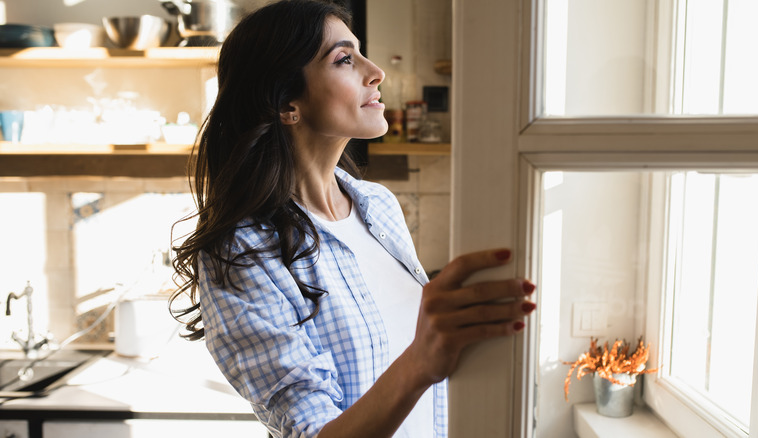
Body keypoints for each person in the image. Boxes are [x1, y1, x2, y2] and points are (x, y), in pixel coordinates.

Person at [170, 1, 537, 437]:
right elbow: (312, 430)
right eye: (345, 59)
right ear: (288, 102)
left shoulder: (377, 204)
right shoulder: (242, 250)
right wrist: (422, 359)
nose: (375, 70)